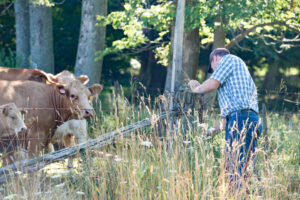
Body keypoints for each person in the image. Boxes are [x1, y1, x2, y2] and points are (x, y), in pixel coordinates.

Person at [188, 48, 262, 190]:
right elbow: (229, 119)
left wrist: (195, 89)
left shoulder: (229, 59)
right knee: (248, 167)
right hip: (249, 119)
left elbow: (212, 84)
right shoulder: (239, 76)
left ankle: (236, 196)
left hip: (241, 119)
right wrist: (209, 132)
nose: (214, 71)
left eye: (213, 68)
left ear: (215, 58)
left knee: (234, 167)